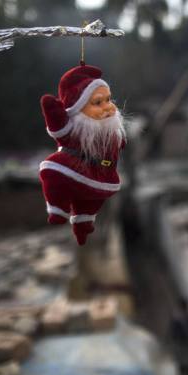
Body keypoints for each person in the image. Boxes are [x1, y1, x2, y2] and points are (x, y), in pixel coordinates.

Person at [39, 64, 126, 245]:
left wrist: (51, 110)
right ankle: (79, 222)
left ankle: (65, 213)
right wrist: (53, 112)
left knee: (52, 170)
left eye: (108, 100)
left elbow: (60, 130)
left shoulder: (111, 134)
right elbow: (59, 130)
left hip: (90, 176)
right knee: (57, 174)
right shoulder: (78, 126)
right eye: (97, 102)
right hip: (98, 181)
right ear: (77, 108)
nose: (107, 107)